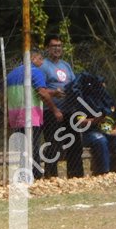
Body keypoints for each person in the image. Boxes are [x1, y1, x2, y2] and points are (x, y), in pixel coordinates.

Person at [6, 49, 63, 180]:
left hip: (15, 115)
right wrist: (55, 110)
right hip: (30, 115)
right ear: (33, 58)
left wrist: (53, 92)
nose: (42, 62)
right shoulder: (35, 72)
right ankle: (35, 174)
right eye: (40, 59)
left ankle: (23, 174)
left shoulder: (11, 74)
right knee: (33, 146)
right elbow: (42, 93)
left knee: (22, 147)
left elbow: (30, 89)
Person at [39, 35, 82, 178]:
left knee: (74, 142)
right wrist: (54, 95)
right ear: (47, 48)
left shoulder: (66, 65)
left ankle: (75, 175)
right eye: (54, 46)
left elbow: (74, 84)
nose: (57, 48)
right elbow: (40, 90)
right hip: (51, 111)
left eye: (59, 46)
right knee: (53, 144)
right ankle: (51, 176)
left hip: (69, 110)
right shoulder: (43, 66)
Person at [82, 105, 116, 175]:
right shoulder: (86, 103)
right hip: (92, 133)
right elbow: (81, 121)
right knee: (101, 140)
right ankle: (104, 172)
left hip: (111, 133)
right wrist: (95, 120)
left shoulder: (110, 102)